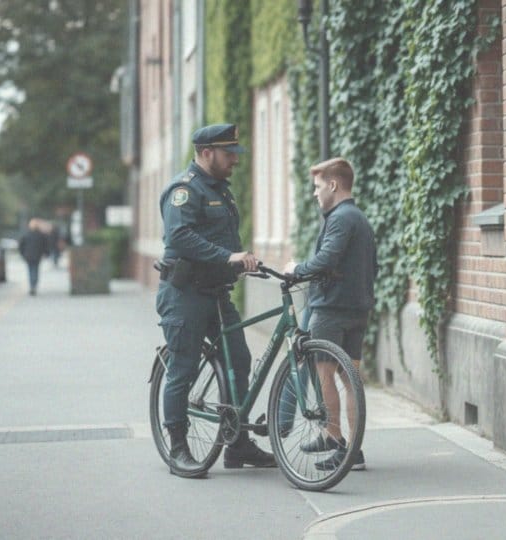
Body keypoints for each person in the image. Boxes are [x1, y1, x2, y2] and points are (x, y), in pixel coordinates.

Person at [156, 123, 275, 478]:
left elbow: (225, 239)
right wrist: (228, 257)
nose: (234, 161)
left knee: (239, 359)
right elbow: (179, 237)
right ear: (207, 153)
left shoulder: (222, 191)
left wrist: (244, 261)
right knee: (183, 369)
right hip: (185, 295)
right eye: (229, 154)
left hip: (217, 294)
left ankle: (236, 443)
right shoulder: (184, 190)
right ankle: (177, 447)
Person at [284, 157, 377, 471]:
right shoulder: (358, 217)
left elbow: (326, 259)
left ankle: (336, 440)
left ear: (334, 185)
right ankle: (351, 449)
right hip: (357, 308)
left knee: (325, 375)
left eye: (318, 186)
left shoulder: (340, 217)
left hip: (332, 309)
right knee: (350, 380)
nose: (315, 194)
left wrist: (296, 269)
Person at [18, 218, 49, 296]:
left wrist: (23, 254)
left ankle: (32, 285)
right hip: (37, 256)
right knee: (35, 270)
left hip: (28, 256)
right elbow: (45, 245)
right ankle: (34, 285)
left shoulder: (26, 234)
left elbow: (21, 246)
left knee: (30, 270)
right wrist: (46, 253)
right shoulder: (41, 235)